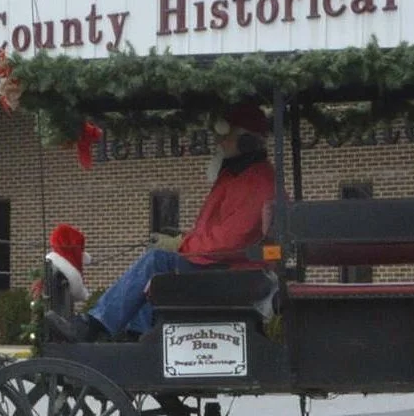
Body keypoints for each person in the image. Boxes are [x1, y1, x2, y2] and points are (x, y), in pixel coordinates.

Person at [46, 101, 276, 342]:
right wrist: (182, 240)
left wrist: (181, 247)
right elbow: (218, 234)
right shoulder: (239, 175)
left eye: (225, 136)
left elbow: (231, 242)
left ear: (246, 140)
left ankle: (93, 326)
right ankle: (135, 336)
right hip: (228, 272)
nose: (219, 142)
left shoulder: (257, 182)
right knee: (158, 274)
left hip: (236, 276)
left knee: (157, 262)